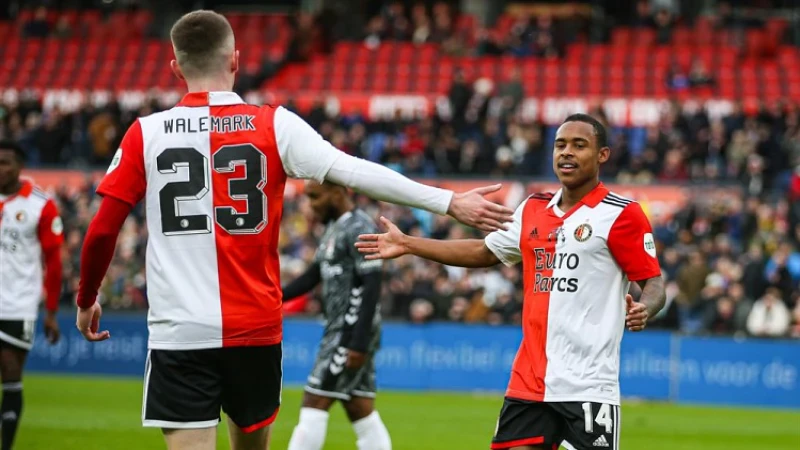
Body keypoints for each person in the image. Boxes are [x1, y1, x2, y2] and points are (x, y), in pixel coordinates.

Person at [74, 10, 512, 450]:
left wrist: (88, 297)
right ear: (235, 61)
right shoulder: (273, 124)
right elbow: (354, 170)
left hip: (180, 332)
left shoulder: (144, 133)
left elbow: (101, 231)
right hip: (254, 330)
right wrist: (450, 201)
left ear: (176, 67)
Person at [357, 114, 667, 450]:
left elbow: (654, 284)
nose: (567, 153)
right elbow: (484, 251)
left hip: (588, 384)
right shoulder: (533, 208)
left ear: (602, 155)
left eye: (580, 145)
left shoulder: (621, 213)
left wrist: (644, 308)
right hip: (529, 381)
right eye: (560, 145)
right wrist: (408, 244)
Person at [283, 181, 390, 450]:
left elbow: (372, 283)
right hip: (340, 329)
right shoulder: (334, 227)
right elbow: (312, 276)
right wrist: (272, 298)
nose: (311, 205)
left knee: (314, 400)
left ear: (337, 193)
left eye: (316, 197)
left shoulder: (360, 227)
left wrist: (358, 341)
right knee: (359, 406)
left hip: (350, 330)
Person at [0, 140, 63, 450]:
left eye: (6, 163)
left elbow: (54, 260)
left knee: (10, 369)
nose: (1, 169)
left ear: (20, 167)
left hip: (17, 302)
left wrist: (51, 312)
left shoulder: (40, 203)